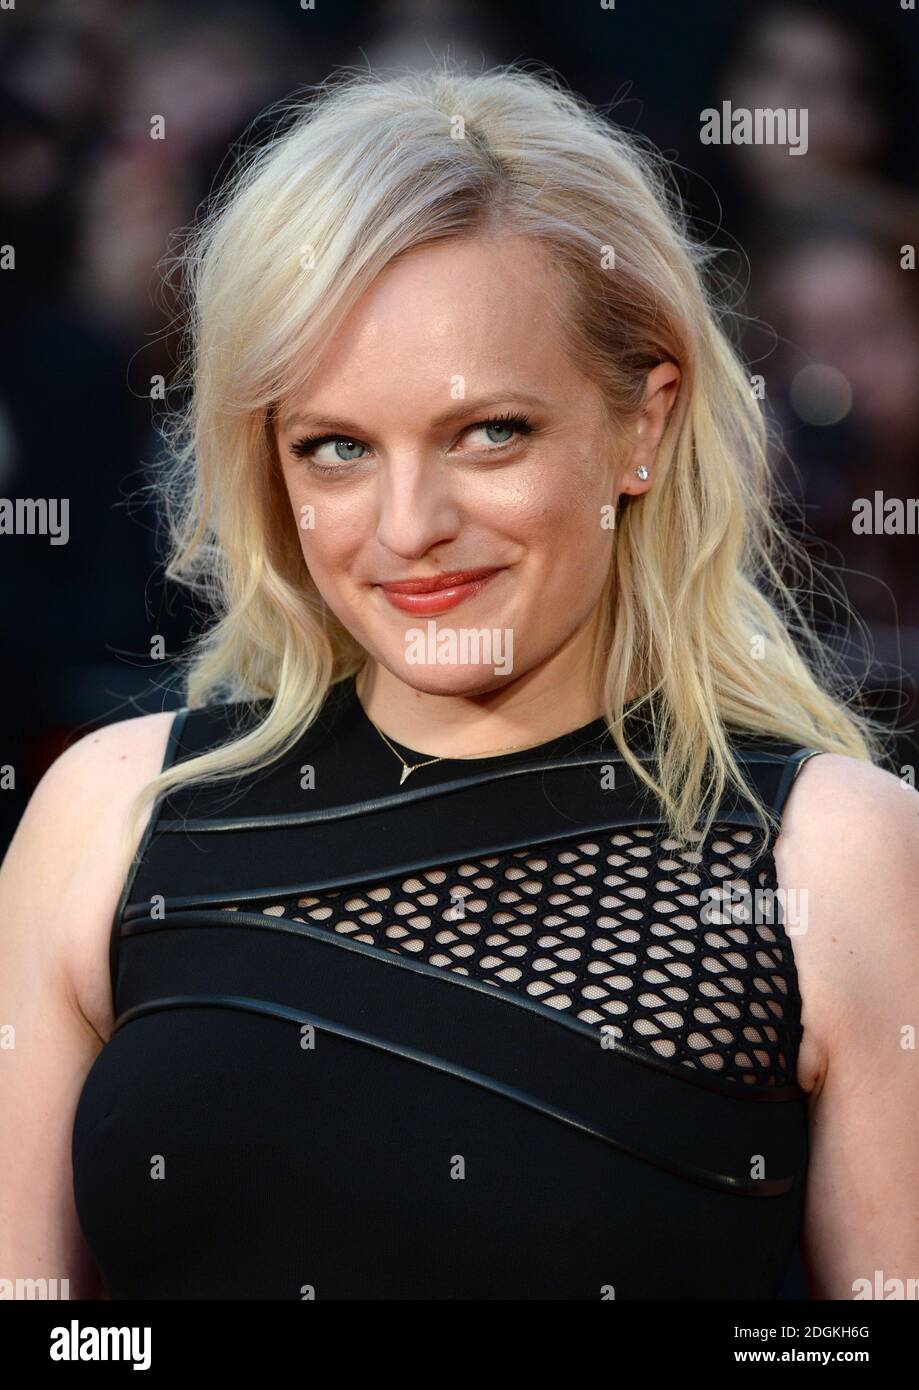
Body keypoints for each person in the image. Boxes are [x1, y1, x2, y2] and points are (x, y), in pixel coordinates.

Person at [1, 64, 917, 1302]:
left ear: (642, 424)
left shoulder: (835, 857)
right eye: (336, 447)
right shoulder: (105, 820)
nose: (410, 524)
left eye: (488, 431)